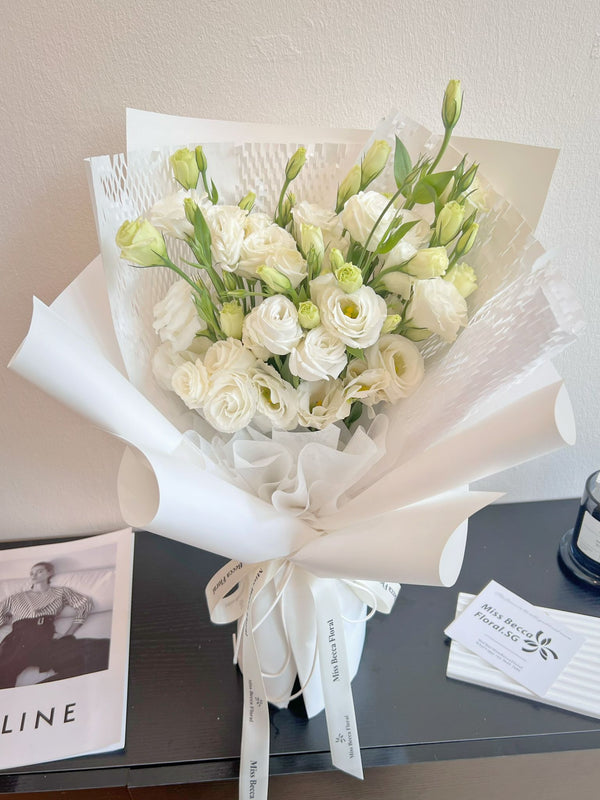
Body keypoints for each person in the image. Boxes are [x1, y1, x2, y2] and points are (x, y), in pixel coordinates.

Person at [0, 561, 108, 689]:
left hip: (46, 639)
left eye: (39, 571)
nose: (34, 575)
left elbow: (85, 604)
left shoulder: (60, 592)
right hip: (18, 641)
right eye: (31, 573)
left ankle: (41, 690)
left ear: (50, 573)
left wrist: (69, 633)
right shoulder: (14, 598)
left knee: (103, 650)